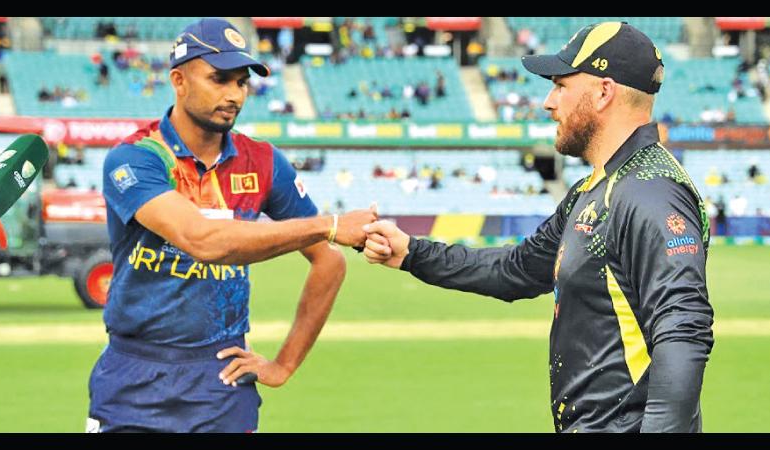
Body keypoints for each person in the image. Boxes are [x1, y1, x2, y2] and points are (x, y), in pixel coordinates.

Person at [362, 22, 713, 433]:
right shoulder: (596, 188)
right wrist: (411, 253)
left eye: (561, 85)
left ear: (604, 92)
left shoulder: (650, 192)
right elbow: (516, 269)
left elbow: (683, 328)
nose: (549, 102)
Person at [87, 18, 377, 433]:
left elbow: (329, 263)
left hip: (221, 381)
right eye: (219, 79)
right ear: (179, 80)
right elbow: (201, 240)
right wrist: (328, 224)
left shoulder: (263, 162)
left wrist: (283, 364)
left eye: (241, 83)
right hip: (134, 379)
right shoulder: (136, 158)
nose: (234, 95)